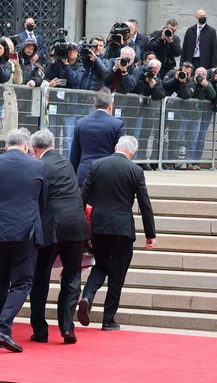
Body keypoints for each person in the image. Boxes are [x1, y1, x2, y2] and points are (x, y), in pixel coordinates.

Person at [0, 128, 47, 353]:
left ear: (6, 145)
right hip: (26, 231)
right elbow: (42, 201)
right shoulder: (37, 165)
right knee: (23, 282)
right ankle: (3, 327)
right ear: (27, 146)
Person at [78, 136, 156, 331]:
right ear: (132, 153)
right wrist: (150, 233)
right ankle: (108, 319)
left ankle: (87, 295)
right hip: (122, 228)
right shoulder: (136, 171)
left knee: (101, 265)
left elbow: (83, 195)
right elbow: (144, 203)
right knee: (117, 273)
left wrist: (79, 223)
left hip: (99, 225)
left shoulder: (97, 165)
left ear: (115, 147)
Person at [29, 129, 89, 344]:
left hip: (50, 227)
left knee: (40, 278)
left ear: (34, 149)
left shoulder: (37, 165)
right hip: (76, 226)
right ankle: (66, 326)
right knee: (72, 276)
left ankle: (40, 330)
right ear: (53, 145)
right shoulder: (66, 163)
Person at [70, 88, 125, 186]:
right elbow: (121, 153)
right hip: (108, 174)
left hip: (84, 173)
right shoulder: (117, 124)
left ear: (94, 105)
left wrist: (73, 176)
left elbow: (75, 153)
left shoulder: (81, 123)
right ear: (110, 106)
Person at [45, 43, 86, 159]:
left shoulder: (80, 67)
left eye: (74, 50)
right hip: (55, 104)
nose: (71, 52)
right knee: (53, 134)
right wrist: (54, 63)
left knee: (68, 137)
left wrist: (66, 65)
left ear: (77, 53)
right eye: (69, 50)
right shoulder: (57, 64)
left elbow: (74, 80)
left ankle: (68, 161)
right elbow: (48, 76)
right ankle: (54, 158)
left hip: (69, 107)